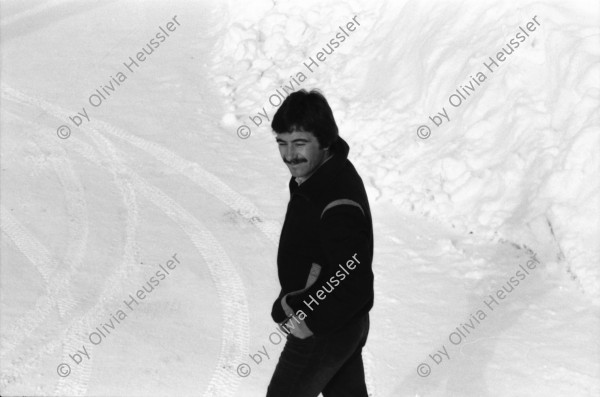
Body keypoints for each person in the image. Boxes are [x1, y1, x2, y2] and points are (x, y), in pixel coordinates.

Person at [267, 89, 374, 397]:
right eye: (282, 143)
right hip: (343, 325)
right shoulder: (320, 177)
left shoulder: (335, 199)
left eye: (299, 143)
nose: (289, 155)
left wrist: (310, 318)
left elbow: (355, 279)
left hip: (324, 330)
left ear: (324, 141)